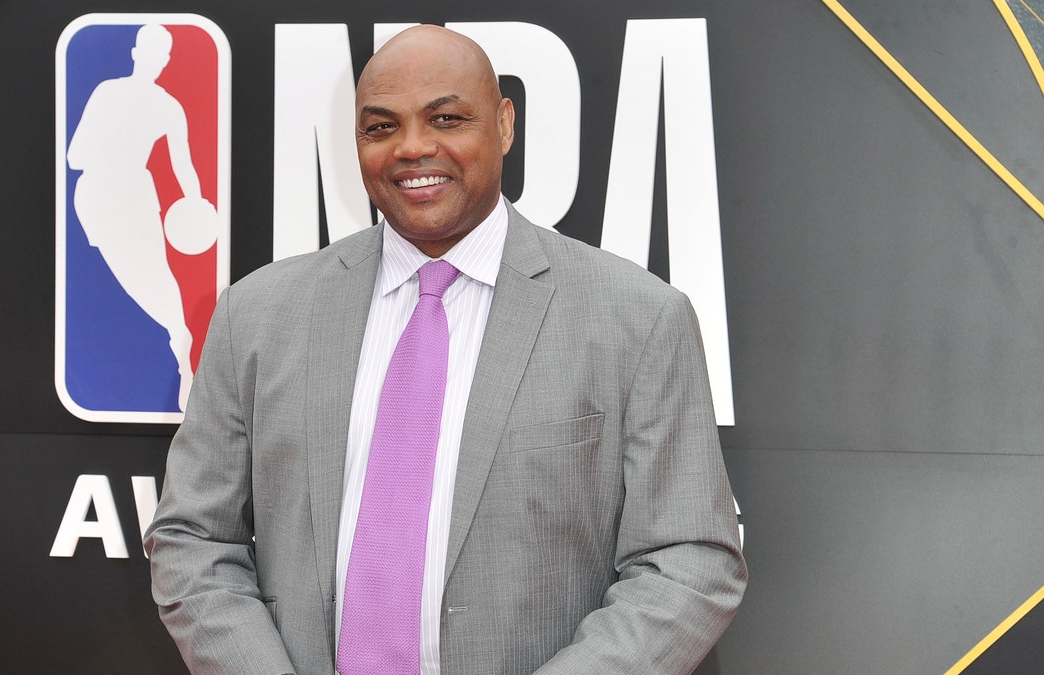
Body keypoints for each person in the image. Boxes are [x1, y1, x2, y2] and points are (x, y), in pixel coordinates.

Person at [146, 24, 746, 675]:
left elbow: (688, 562)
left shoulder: (639, 319)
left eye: (447, 118)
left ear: (505, 124)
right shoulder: (255, 316)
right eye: (380, 128)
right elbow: (193, 539)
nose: (412, 147)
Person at [68, 23, 212, 411]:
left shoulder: (163, 105)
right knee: (131, 279)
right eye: (152, 53)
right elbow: (73, 156)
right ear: (140, 55)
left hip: (128, 196)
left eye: (158, 54)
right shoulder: (115, 94)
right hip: (100, 198)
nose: (155, 60)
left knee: (153, 276)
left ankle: (182, 351)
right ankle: (177, 343)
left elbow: (184, 168)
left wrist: (196, 205)